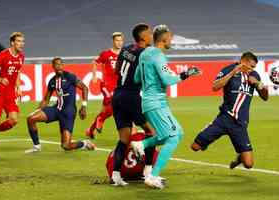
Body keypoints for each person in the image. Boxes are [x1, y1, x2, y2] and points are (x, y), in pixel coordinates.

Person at [132, 24, 201, 189]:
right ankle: (152, 176)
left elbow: (136, 78)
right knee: (173, 137)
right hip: (156, 102)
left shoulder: (145, 53)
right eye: (170, 38)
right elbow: (167, 80)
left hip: (149, 102)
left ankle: (142, 144)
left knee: (176, 133)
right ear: (163, 39)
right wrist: (187, 74)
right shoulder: (158, 56)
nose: (171, 40)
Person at [191, 52, 268, 169]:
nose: (252, 69)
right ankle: (206, 140)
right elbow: (215, 87)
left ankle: (240, 158)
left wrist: (258, 83)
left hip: (240, 124)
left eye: (254, 67)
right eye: (251, 66)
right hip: (224, 119)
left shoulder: (254, 75)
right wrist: (233, 73)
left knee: (248, 164)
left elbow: (265, 97)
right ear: (243, 61)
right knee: (195, 147)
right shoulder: (228, 69)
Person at [111, 23, 157, 186]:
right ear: (143, 37)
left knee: (124, 138)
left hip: (117, 95)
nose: (151, 36)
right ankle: (148, 173)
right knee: (152, 132)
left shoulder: (125, 49)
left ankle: (116, 176)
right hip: (131, 96)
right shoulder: (144, 53)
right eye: (149, 33)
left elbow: (117, 69)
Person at [25, 57, 95, 153]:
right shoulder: (52, 81)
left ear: (63, 65)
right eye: (56, 64)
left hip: (68, 112)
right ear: (53, 66)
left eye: (60, 64)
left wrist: (84, 106)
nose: (59, 66)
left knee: (66, 146)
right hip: (56, 109)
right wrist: (38, 110)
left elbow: (85, 88)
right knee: (31, 118)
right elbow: (46, 99)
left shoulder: (70, 77)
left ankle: (84, 143)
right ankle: (36, 146)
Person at [86, 32, 124, 138]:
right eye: (117, 40)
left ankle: (90, 130)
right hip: (107, 85)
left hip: (119, 86)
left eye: (121, 40)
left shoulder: (125, 54)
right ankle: (101, 120)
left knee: (106, 110)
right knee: (114, 104)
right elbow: (95, 62)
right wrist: (94, 76)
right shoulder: (106, 54)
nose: (119, 42)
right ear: (113, 41)